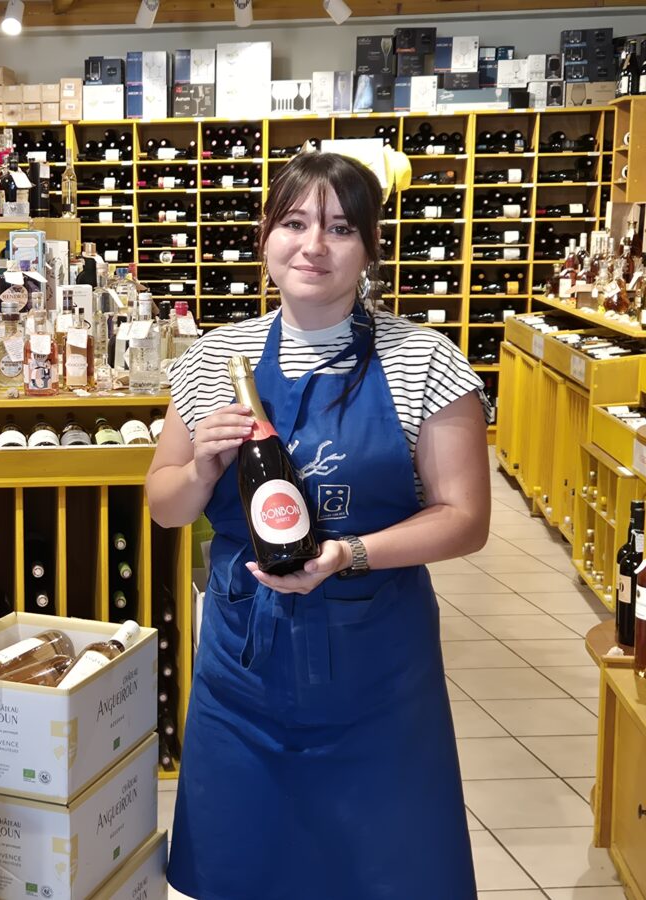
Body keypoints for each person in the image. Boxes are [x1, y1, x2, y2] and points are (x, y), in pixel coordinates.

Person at [146, 150, 489, 899]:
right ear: (265, 237)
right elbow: (164, 505)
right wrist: (200, 469)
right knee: (245, 870)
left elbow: (465, 520)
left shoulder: (424, 359)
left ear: (369, 248)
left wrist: (349, 553)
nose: (313, 246)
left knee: (382, 874)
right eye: (295, 223)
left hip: (378, 676)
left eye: (340, 228)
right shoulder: (216, 358)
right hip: (241, 671)